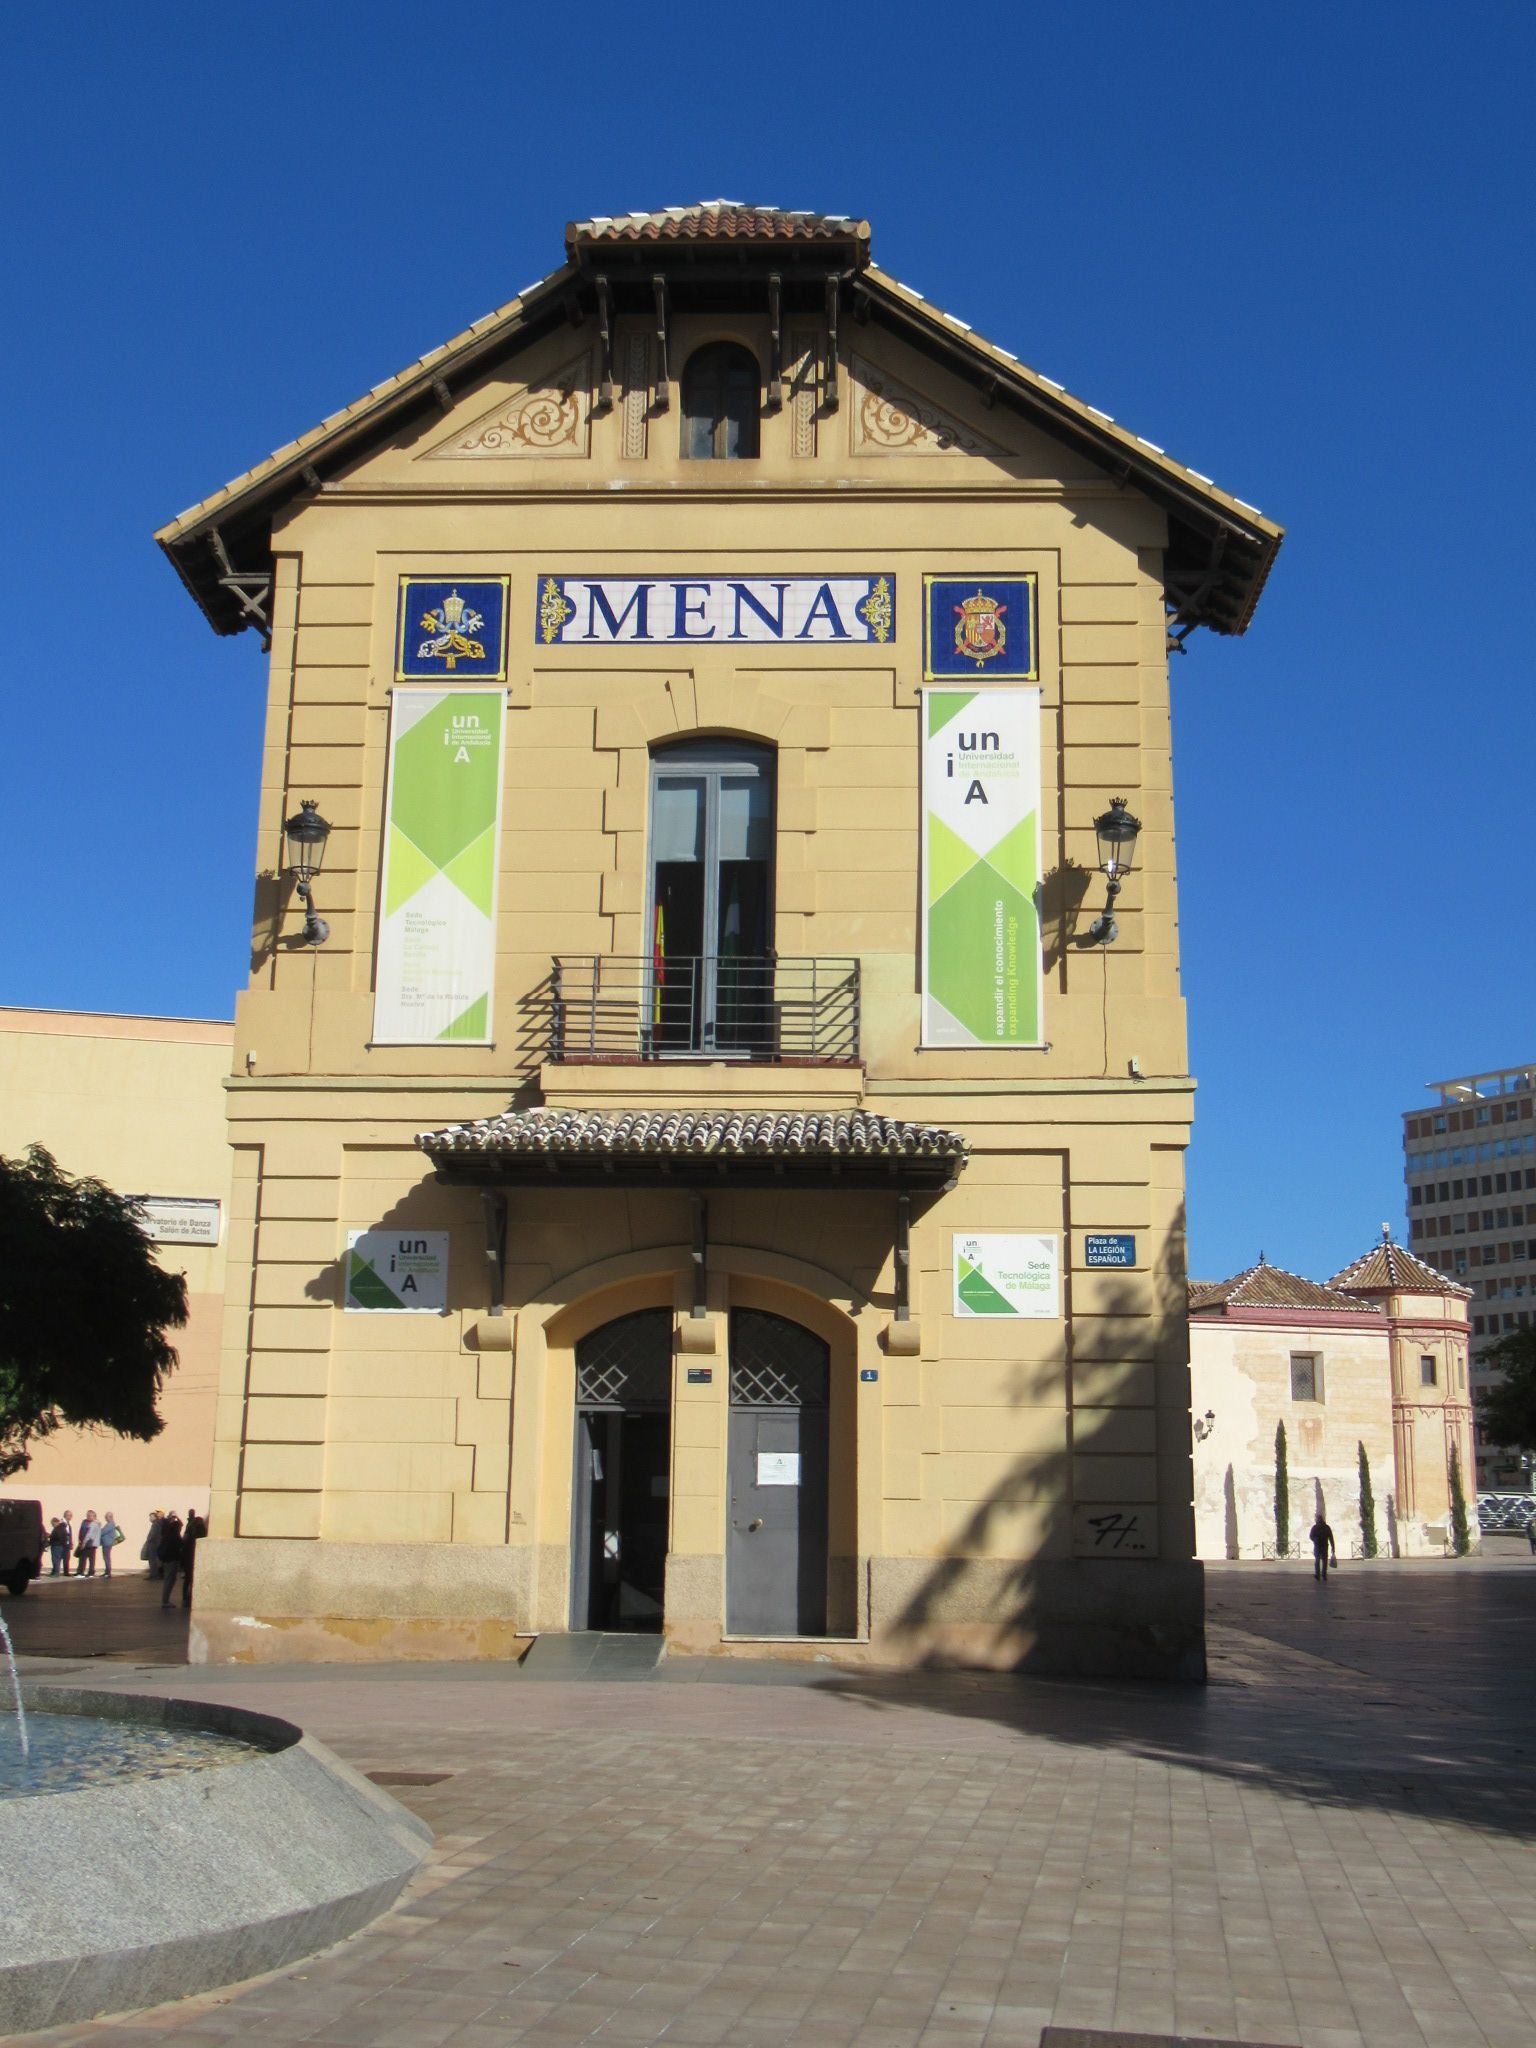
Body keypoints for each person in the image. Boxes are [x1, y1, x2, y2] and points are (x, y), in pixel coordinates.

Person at [158, 1513, 186, 1608]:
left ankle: (165, 1600)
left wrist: (173, 1518)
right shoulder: (175, 1536)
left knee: (168, 1579)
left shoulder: (167, 1534)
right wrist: (176, 1517)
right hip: (172, 1560)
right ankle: (165, 1601)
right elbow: (181, 1544)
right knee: (169, 1580)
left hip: (166, 1560)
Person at [180, 1512, 207, 1609]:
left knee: (188, 1580)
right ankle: (190, 1598)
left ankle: (185, 1598)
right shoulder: (201, 1536)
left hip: (188, 1560)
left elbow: (184, 1548)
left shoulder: (189, 1536)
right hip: (196, 1559)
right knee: (194, 1580)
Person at [1310, 1513, 1337, 1581]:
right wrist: (1333, 1547)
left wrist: (1315, 1540)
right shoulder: (1326, 1527)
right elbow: (1331, 1538)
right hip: (1324, 1546)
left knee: (1318, 1561)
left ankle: (1318, 1575)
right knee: (1324, 1561)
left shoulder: (1315, 1527)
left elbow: (1311, 1536)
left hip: (1318, 1546)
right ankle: (1323, 1575)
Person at [76, 1509, 101, 1578]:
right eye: (87, 1515)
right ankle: (91, 1573)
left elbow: (89, 1535)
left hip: (89, 1543)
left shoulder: (94, 1524)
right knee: (91, 1559)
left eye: (90, 1516)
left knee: (83, 1558)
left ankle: (81, 1572)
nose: (88, 1517)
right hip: (93, 1544)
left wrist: (84, 1543)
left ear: (94, 1516)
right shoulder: (95, 1523)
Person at [141, 1510, 164, 1579]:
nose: (150, 1518)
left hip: (153, 1545)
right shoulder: (157, 1524)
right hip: (154, 1544)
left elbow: (153, 1535)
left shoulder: (156, 1524)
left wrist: (149, 1539)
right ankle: (154, 1574)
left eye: (151, 1517)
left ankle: (153, 1575)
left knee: (152, 1560)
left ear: (155, 1517)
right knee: (153, 1560)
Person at [99, 1511, 123, 1578]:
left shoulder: (110, 1524)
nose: (105, 1518)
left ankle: (108, 1572)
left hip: (107, 1543)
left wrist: (98, 1531)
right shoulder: (110, 1524)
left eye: (106, 1517)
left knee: (106, 1558)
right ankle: (107, 1571)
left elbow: (103, 1531)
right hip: (106, 1543)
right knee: (106, 1557)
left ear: (110, 1517)